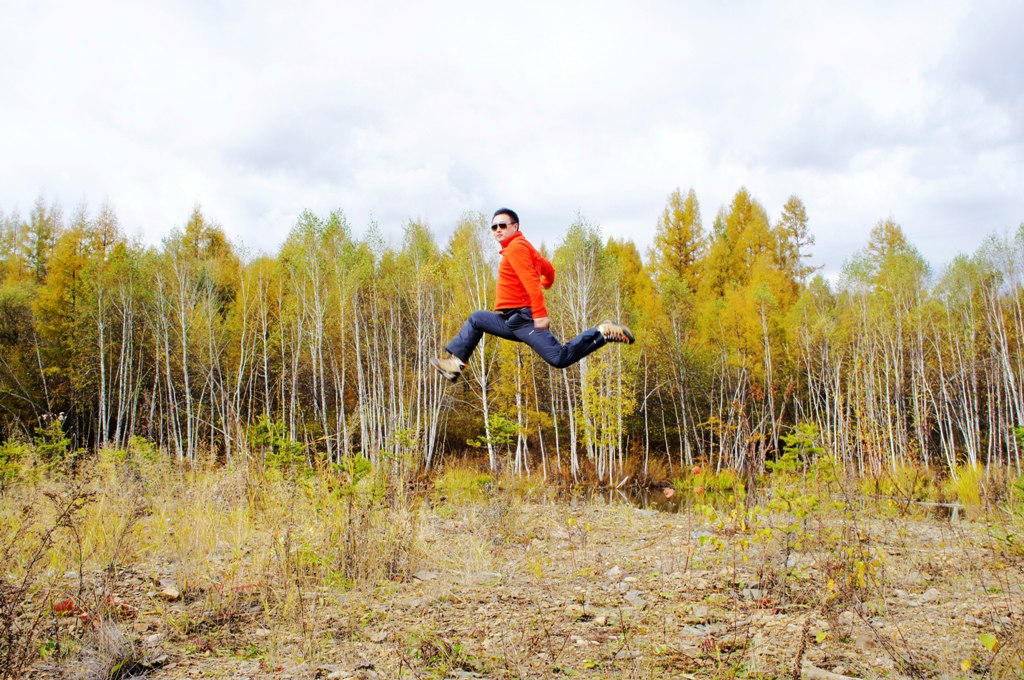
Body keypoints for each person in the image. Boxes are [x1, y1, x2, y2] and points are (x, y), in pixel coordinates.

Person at [430, 208, 635, 383]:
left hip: (525, 319)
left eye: (502, 225)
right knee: (477, 319)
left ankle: (602, 332)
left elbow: (530, 282)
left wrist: (540, 313)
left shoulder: (516, 248)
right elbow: (549, 269)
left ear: (515, 226)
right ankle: (455, 364)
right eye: (494, 227)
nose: (498, 230)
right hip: (510, 320)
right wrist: (547, 281)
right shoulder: (523, 247)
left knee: (559, 358)